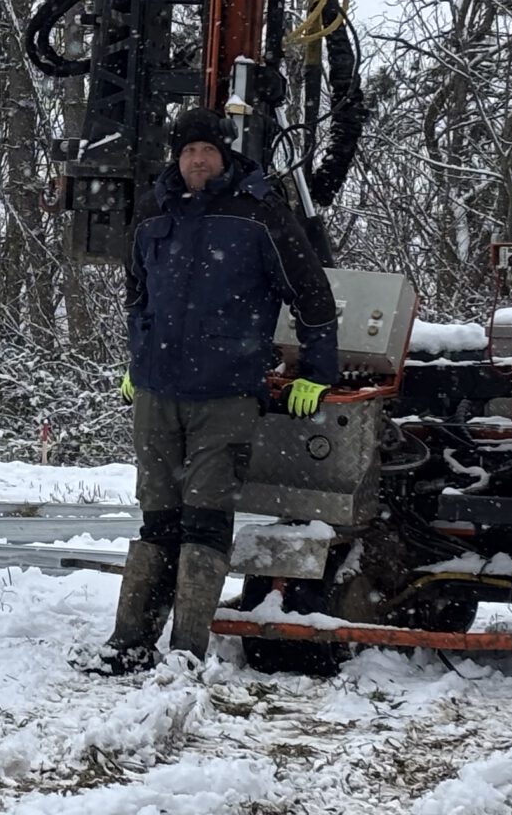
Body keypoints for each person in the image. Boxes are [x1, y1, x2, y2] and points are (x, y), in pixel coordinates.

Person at [78, 106, 343, 674]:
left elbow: (313, 294)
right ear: (176, 157)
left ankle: (186, 650)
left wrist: (318, 372)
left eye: (208, 150)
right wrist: (136, 360)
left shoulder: (259, 213)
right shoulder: (152, 211)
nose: (197, 160)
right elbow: (136, 296)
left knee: (205, 517)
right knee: (158, 517)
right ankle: (129, 642)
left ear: (225, 155)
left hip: (225, 392)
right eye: (188, 151)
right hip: (156, 390)